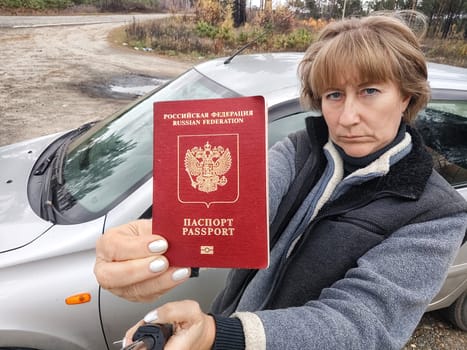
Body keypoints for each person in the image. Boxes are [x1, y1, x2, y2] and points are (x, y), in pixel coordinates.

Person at [94, 11, 467, 350]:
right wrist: (158, 244)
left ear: (406, 96)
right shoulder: (300, 149)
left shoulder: (435, 212)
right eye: (333, 95)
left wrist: (218, 334)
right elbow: (237, 212)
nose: (348, 117)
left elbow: (363, 323)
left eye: (369, 91)